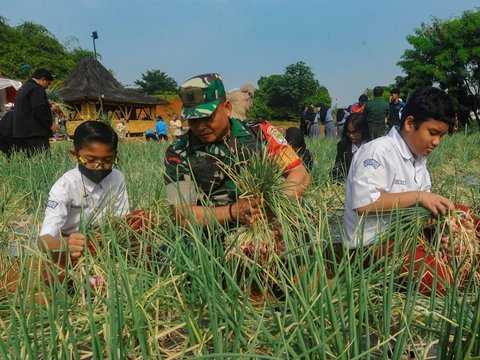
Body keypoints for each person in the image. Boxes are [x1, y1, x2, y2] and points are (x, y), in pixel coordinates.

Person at [343, 87, 457, 293]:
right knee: (442, 281)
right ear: (410, 123)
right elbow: (365, 204)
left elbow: (419, 210)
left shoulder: (419, 159)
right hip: (373, 246)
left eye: (441, 136)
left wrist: (430, 218)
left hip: (405, 237)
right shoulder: (378, 151)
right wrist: (419, 197)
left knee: (466, 219)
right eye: (432, 133)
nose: (436, 142)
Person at [164, 73, 310, 228]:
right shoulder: (178, 152)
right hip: (214, 236)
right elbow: (183, 215)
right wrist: (233, 212)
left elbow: (299, 174)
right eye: (193, 120)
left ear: (227, 108)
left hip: (268, 223)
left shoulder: (261, 132)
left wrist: (272, 208)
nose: (200, 127)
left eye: (207, 118)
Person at [39, 120, 129, 258]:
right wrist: (66, 244)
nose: (99, 166)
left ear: (115, 156)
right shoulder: (65, 186)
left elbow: (122, 220)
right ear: (74, 155)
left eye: (107, 160)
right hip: (73, 246)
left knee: (141, 219)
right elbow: (44, 241)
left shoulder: (117, 178)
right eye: (91, 160)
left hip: (106, 240)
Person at [12, 68, 57, 156]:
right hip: (35, 133)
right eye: (48, 83)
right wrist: (49, 124)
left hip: (21, 132)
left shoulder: (23, 88)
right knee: (42, 160)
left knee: (28, 162)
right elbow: (39, 109)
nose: (48, 86)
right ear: (43, 79)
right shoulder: (37, 88)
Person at [331, 113, 371, 182]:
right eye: (349, 132)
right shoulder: (342, 146)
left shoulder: (372, 146)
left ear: (363, 130)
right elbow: (337, 169)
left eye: (354, 132)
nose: (351, 135)